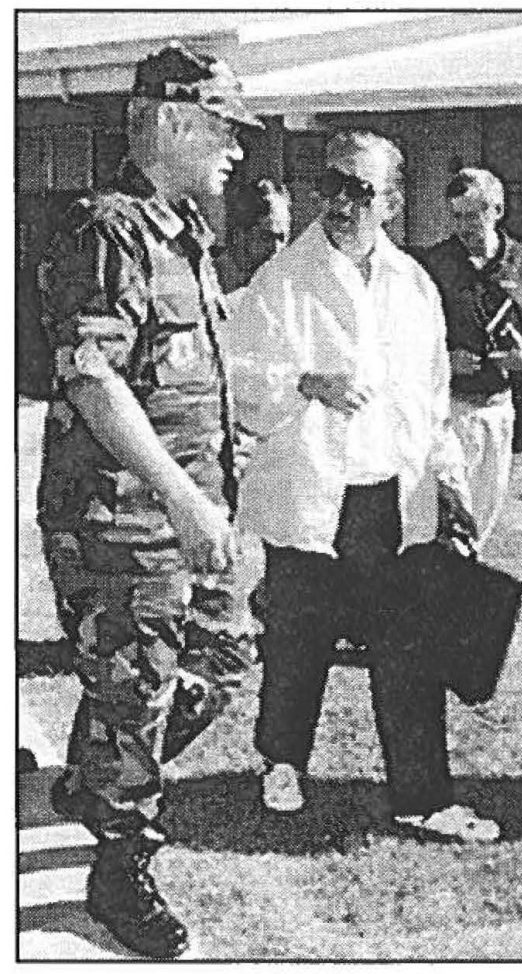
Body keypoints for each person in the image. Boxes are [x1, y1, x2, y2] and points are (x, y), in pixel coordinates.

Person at [35, 43, 261, 958]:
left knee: (223, 655)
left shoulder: (181, 234)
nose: (237, 150)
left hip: (183, 512)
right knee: (137, 691)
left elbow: (173, 374)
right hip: (124, 520)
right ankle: (118, 872)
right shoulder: (109, 228)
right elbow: (91, 377)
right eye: (223, 129)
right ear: (172, 122)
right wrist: (181, 497)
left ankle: (94, 776)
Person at [226, 131, 500, 843]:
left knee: (409, 649)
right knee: (297, 643)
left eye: (361, 189)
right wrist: (306, 382)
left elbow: (430, 396)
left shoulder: (413, 285)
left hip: (391, 497)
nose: (343, 201)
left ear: (395, 202)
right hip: (314, 493)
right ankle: (282, 760)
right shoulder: (282, 280)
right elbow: (243, 385)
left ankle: (423, 796)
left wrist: (447, 479)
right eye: (334, 184)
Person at [418, 168, 522, 546]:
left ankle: (465, 589)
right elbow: (408, 337)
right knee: (445, 516)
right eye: (457, 215)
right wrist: (447, 360)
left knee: (483, 516)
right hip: (448, 409)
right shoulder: (435, 265)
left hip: (497, 410)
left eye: (473, 214)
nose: (464, 226)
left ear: (497, 210)